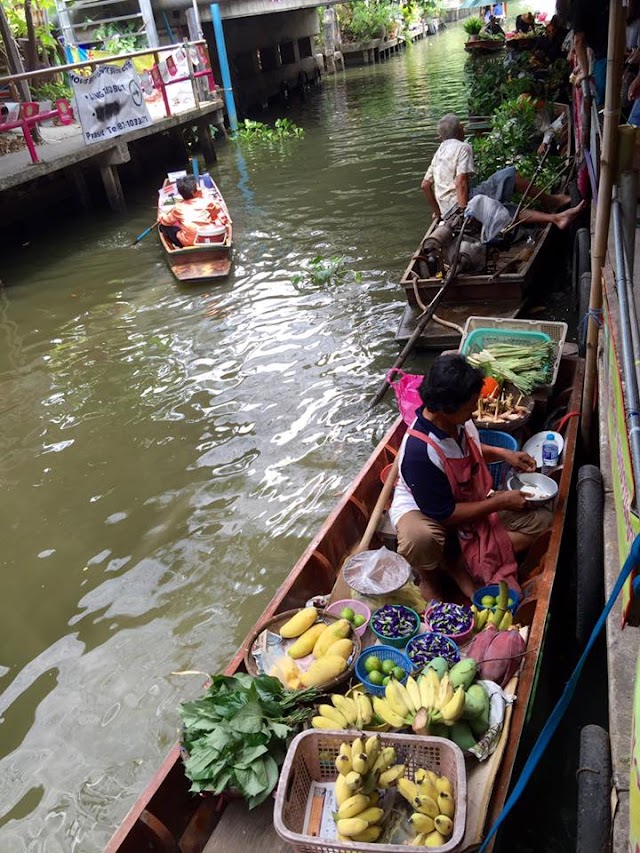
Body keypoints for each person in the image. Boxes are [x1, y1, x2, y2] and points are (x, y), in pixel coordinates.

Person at [389, 354, 553, 600]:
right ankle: (431, 577)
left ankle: (458, 561)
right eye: (469, 406)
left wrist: (504, 454)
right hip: (427, 512)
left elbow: (468, 453)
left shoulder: (458, 421)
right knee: (420, 539)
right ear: (446, 409)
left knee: (544, 520)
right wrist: (501, 502)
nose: (474, 410)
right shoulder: (419, 452)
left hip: (466, 497)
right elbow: (444, 513)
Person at [421, 113, 585, 229]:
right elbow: (460, 182)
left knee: (502, 210)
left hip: (448, 212)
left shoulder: (438, 153)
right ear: (461, 129)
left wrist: (439, 213)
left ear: (440, 138)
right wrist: (466, 216)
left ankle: (556, 218)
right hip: (462, 207)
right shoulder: (462, 147)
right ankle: (550, 200)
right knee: (510, 175)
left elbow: (425, 185)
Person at [158, 175, 226, 248]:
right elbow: (217, 210)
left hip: (189, 241)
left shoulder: (178, 207)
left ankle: (175, 246)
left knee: (163, 226)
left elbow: (166, 221)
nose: (200, 188)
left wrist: (162, 215)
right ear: (193, 192)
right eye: (198, 187)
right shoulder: (207, 202)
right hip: (208, 238)